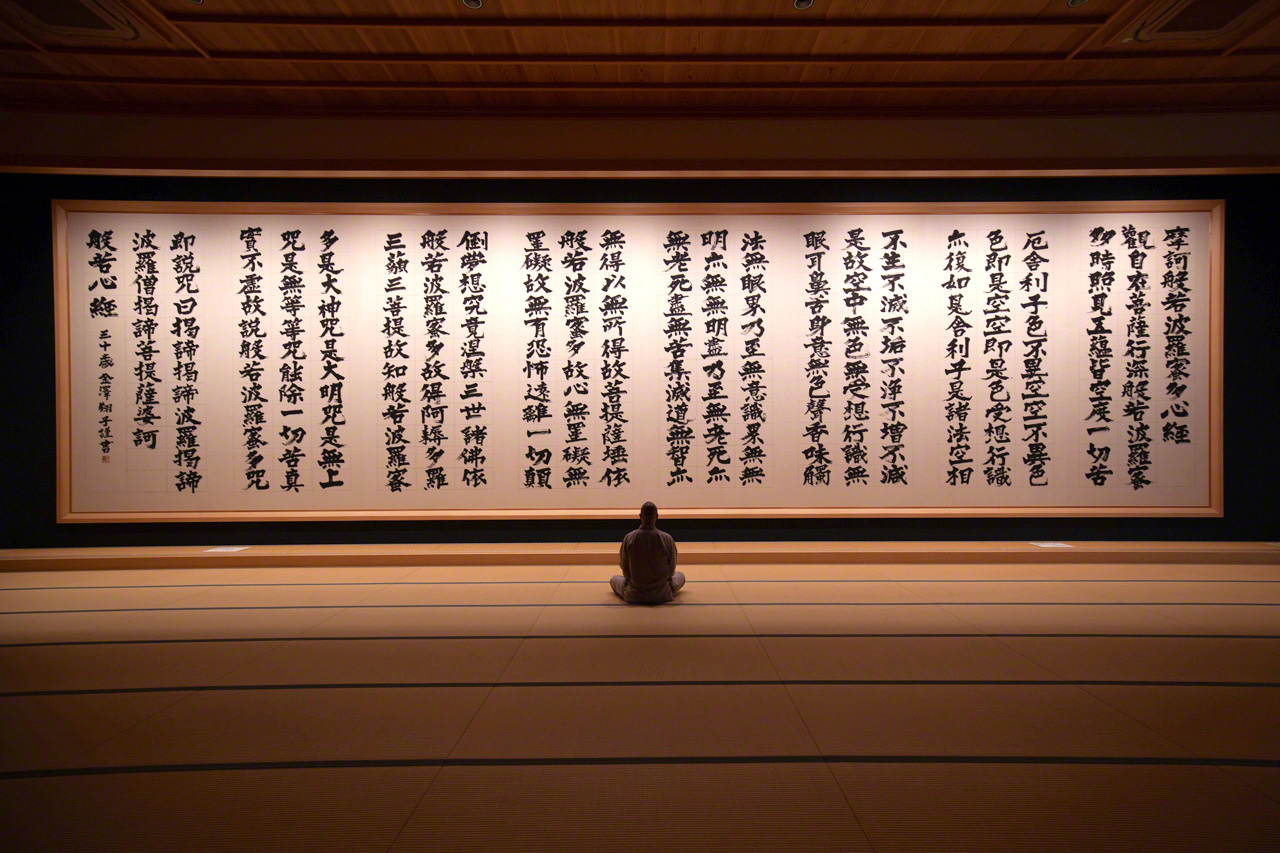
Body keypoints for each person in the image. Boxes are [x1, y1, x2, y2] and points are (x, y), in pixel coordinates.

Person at [611, 501, 684, 604]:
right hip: (662, 593)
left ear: (640, 516)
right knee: (680, 576)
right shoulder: (666, 538)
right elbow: (671, 572)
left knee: (614, 579)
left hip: (635, 593)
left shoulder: (629, 538)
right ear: (657, 517)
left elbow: (626, 571)